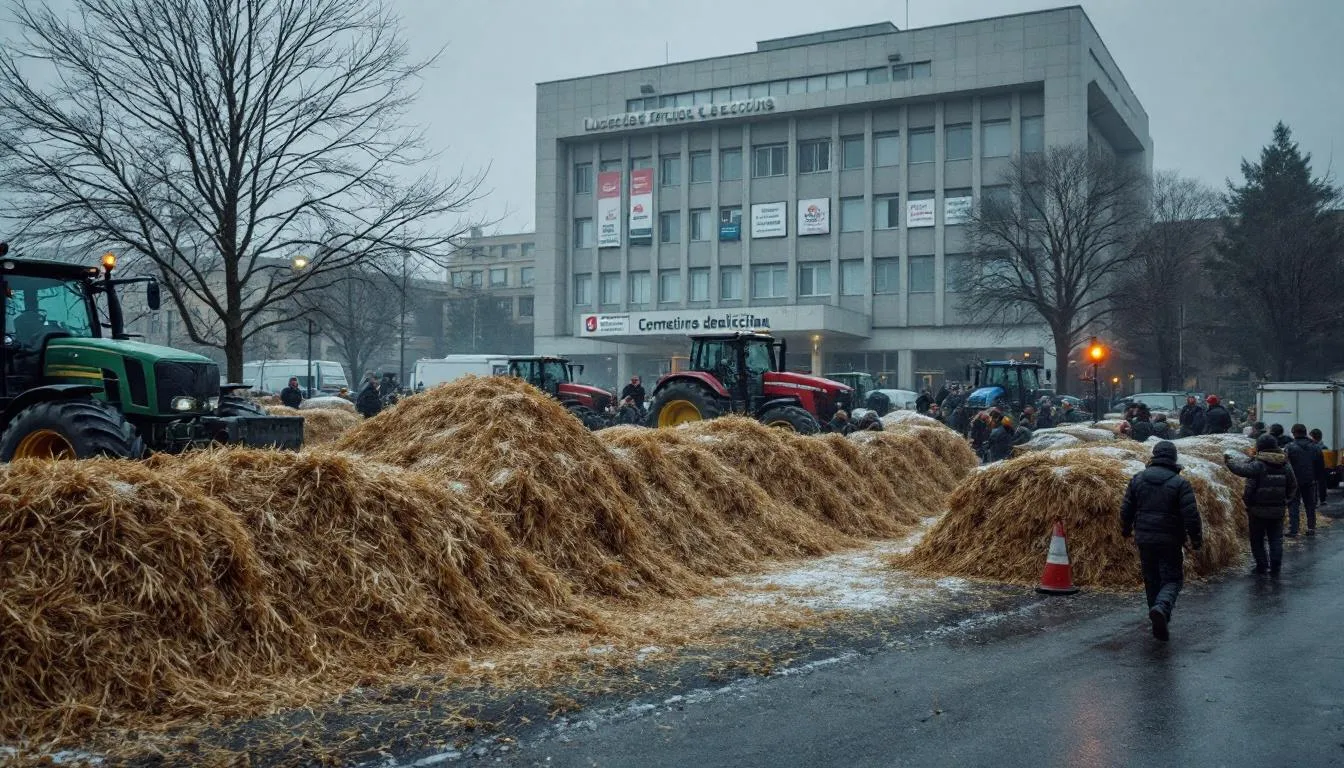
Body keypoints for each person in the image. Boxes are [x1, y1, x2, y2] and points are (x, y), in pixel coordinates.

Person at [1120, 441, 1202, 641]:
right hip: (1170, 538)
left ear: (1154, 456)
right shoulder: (1180, 483)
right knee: (1173, 578)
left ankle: (1157, 618)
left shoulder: (1138, 479)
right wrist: (1196, 539)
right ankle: (1162, 608)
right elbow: (1191, 515)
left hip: (1144, 537)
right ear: (1173, 458)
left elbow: (1126, 509)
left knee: (1151, 578)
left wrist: (1125, 529)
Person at [1225, 434, 1297, 576]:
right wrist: (1286, 500)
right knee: (1276, 539)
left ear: (1260, 447)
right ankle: (1276, 567)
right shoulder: (1285, 463)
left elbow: (1242, 470)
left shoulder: (1259, 464)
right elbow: (1293, 485)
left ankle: (1262, 566)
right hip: (1278, 508)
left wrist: (1229, 462)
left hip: (1257, 509)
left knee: (1257, 539)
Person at [1284, 424, 1325, 537]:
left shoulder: (1289, 447)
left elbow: (1285, 465)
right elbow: (1320, 466)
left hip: (1294, 481)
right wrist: (1316, 479)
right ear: (1305, 432)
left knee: (1293, 504)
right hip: (1310, 480)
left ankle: (1294, 529)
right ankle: (1311, 528)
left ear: (1293, 433)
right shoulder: (1315, 447)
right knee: (1310, 505)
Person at [1309, 428, 1330, 508]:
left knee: (1314, 485)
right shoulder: (1324, 447)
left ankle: (1315, 501)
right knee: (1322, 484)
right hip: (1323, 468)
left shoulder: (1312, 447)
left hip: (1314, 468)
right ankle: (1323, 500)